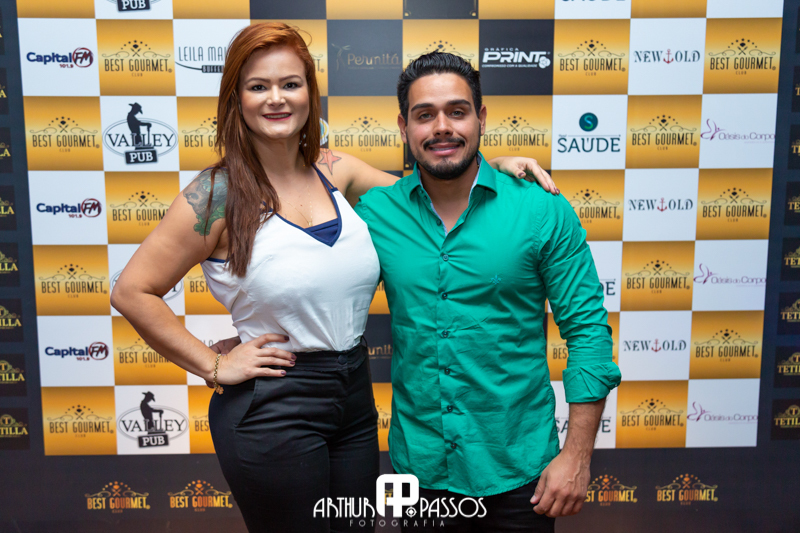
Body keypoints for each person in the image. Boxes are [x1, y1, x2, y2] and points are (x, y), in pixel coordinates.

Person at [110, 23, 558, 533]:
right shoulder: (216, 194)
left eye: (291, 84)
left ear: (310, 94)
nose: (276, 98)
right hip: (274, 402)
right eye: (258, 86)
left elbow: (431, 195)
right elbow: (132, 290)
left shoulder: (336, 170)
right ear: (236, 99)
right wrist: (213, 365)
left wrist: (492, 166)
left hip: (353, 399)